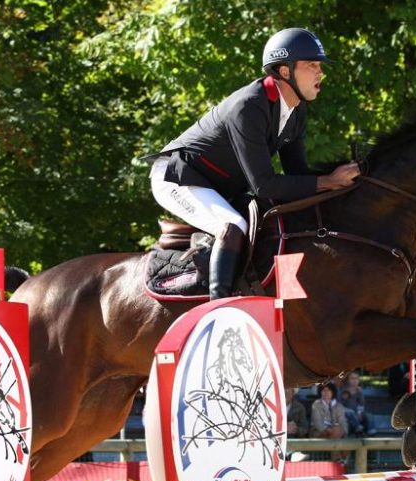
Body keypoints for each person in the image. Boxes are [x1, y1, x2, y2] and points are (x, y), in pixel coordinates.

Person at [148, 28, 360, 299]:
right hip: (177, 177)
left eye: (319, 66)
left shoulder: (296, 110)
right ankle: (219, 308)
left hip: (217, 185)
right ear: (285, 71)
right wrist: (330, 181)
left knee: (283, 217)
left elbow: (298, 176)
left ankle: (284, 300)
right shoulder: (249, 106)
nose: (320, 72)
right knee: (233, 224)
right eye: (312, 65)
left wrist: (344, 180)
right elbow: (265, 185)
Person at [339, 371, 376, 436]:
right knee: (350, 413)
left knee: (369, 415)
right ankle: (358, 429)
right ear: (348, 380)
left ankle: (371, 431)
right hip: (347, 413)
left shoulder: (359, 391)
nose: (354, 381)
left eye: (356, 378)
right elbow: (339, 404)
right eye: (352, 378)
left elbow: (362, 404)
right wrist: (344, 398)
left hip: (357, 412)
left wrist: (359, 413)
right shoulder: (344, 390)